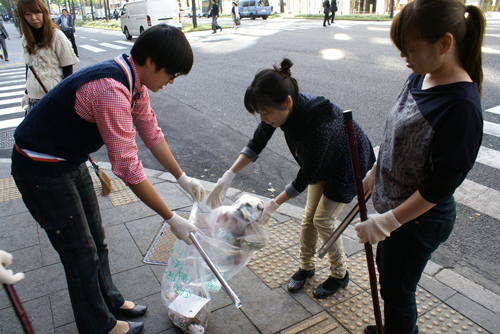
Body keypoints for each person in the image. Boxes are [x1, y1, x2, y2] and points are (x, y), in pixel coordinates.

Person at [11, 24, 205, 334]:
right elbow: (128, 168)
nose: (171, 81)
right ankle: (98, 326)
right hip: (40, 168)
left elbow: (151, 134)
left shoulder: (134, 82)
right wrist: (171, 218)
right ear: (152, 62)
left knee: (97, 239)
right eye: (171, 74)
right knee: (79, 252)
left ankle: (109, 300)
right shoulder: (112, 89)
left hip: (67, 159)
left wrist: (182, 178)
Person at [353, 1, 485, 333]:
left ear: (444, 44)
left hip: (420, 219)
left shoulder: (461, 107)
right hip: (396, 207)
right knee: (388, 275)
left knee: (398, 291)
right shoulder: (421, 75)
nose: (403, 57)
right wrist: (374, 172)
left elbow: (441, 185)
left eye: (410, 48)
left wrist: (388, 221)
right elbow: (397, 130)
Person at [206, 58, 376, 298]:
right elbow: (257, 143)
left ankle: (340, 274)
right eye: (260, 114)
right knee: (308, 218)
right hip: (320, 164)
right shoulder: (280, 107)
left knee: (323, 220)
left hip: (346, 166)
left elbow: (305, 176)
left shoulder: (319, 124)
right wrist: (229, 174)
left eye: (265, 114)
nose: (264, 119)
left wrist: (274, 204)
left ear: (287, 102)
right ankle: (306, 267)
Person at [17, 0, 79, 113]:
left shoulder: (56, 36)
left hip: (53, 96)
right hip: (33, 97)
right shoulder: (26, 37)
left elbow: (68, 71)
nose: (33, 18)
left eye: (37, 12)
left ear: (44, 12)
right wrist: (26, 92)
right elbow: (29, 67)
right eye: (27, 14)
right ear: (23, 17)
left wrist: (64, 97)